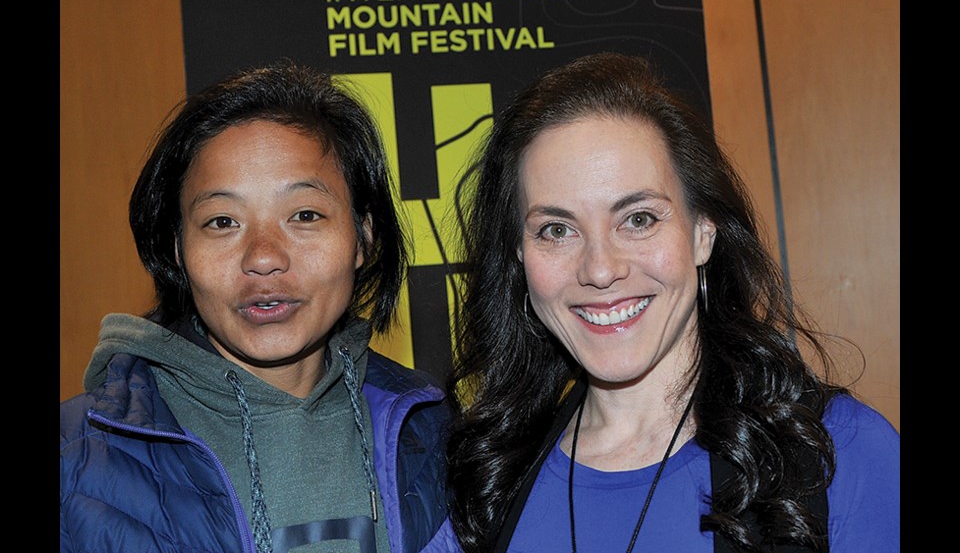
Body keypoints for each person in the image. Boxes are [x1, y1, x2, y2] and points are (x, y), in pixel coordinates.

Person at [446, 52, 899, 552]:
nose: (600, 269)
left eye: (638, 219)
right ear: (519, 255)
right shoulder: (489, 478)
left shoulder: (838, 452)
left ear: (704, 230)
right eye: (556, 230)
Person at [60, 62, 459, 553]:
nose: (264, 257)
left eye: (306, 215)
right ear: (178, 250)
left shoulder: (442, 436)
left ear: (363, 237)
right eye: (222, 221)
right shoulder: (74, 458)